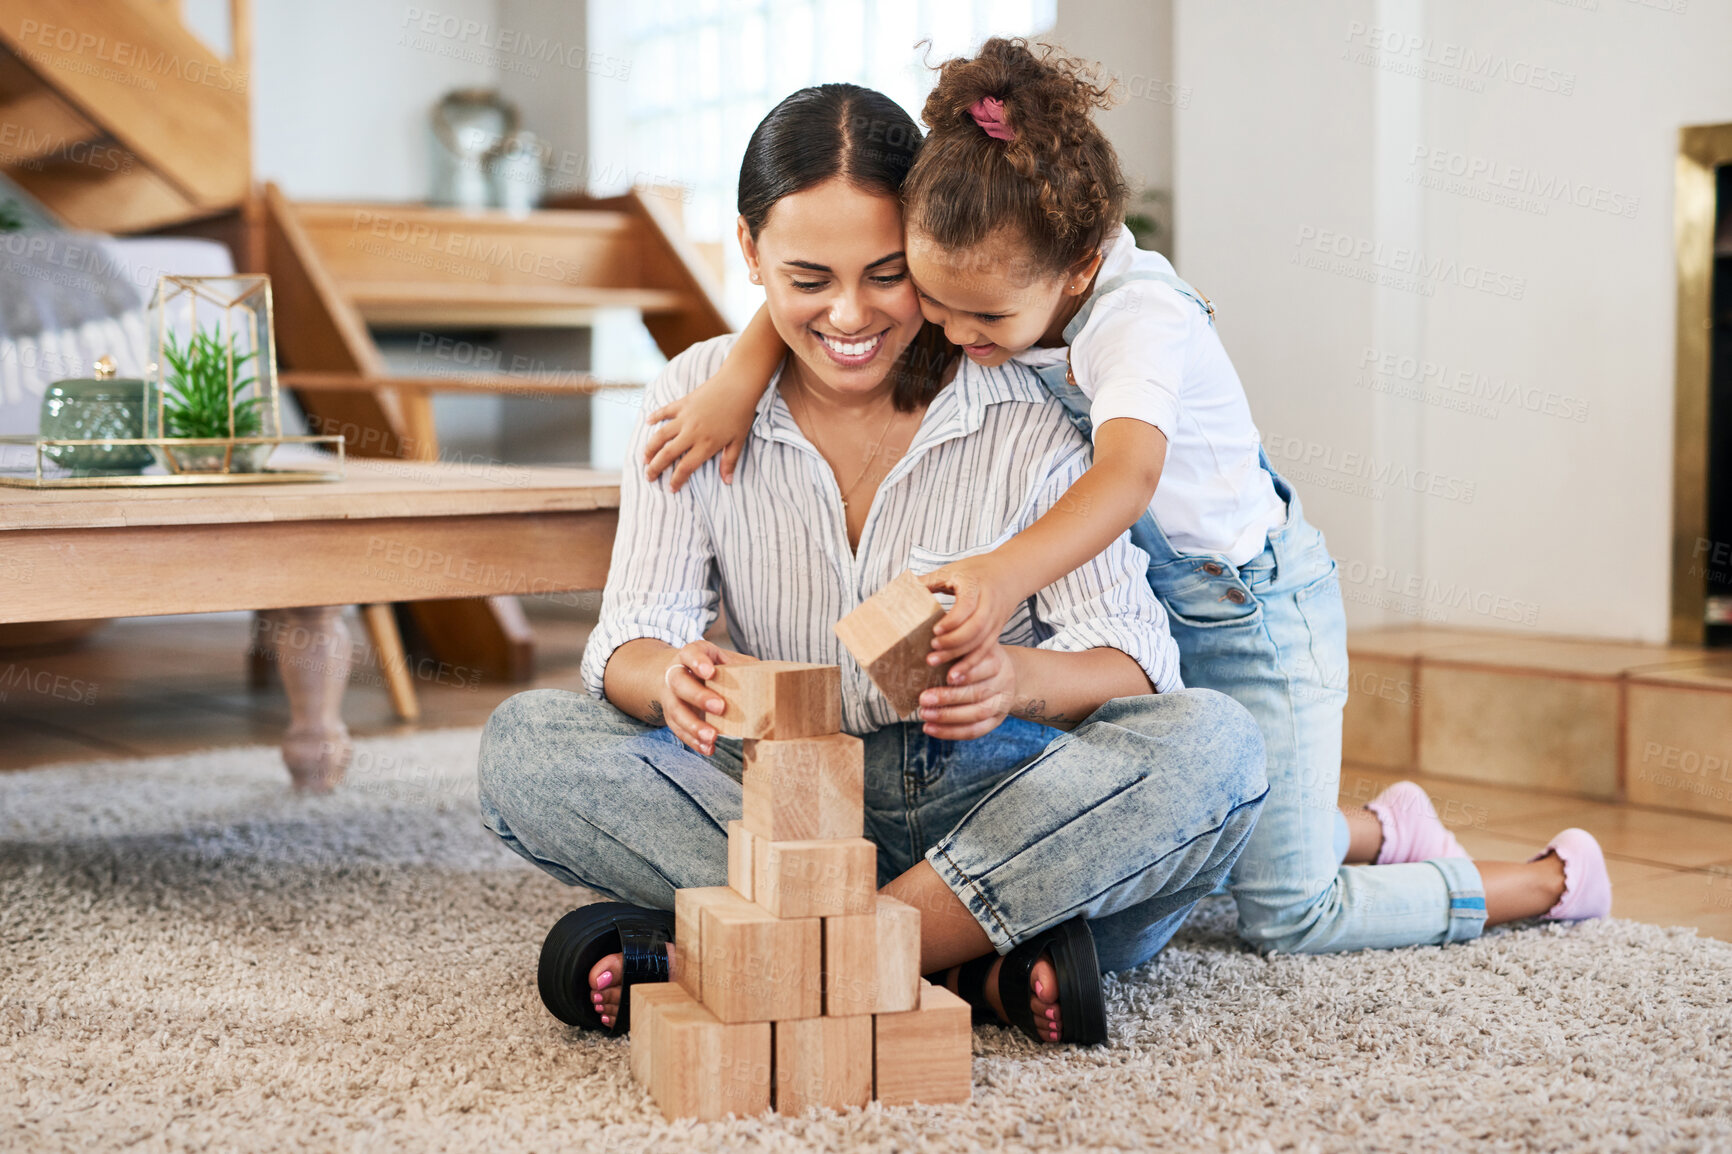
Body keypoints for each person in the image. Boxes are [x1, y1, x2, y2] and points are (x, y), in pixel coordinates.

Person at [638, 40, 1611, 956]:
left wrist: (992, 573)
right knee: (1200, 805)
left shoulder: (1136, 320)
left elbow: (1125, 477)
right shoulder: (989, 281)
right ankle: (1376, 823)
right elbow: (822, 289)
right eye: (930, 300)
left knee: (1283, 908)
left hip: (1246, 606)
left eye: (968, 314)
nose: (936, 330)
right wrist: (734, 379)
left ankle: (1537, 880)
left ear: (1081, 265)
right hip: (1138, 581)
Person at [477, 82, 1271, 1047]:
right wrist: (672, 680)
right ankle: (973, 960)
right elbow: (630, 636)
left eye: (886, 275)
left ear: (931, 254)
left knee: (1213, 749)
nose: (849, 316)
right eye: (807, 280)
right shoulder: (696, 395)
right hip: (775, 796)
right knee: (527, 741)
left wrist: (1016, 678)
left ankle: (771, 950)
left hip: (986, 790)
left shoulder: (1019, 402)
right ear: (749, 252)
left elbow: (1137, 664)